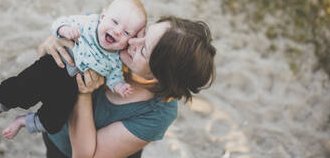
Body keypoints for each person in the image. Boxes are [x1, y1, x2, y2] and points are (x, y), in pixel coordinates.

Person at [38, 16, 217, 158]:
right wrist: (50, 44)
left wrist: (83, 94)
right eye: (144, 33)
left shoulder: (157, 115)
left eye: (143, 50)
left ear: (159, 77)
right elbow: (41, 70)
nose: (131, 42)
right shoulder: (114, 37)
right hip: (56, 138)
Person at [0, 0, 147, 139]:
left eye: (126, 32)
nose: (117, 31)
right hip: (52, 66)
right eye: (114, 22)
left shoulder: (116, 57)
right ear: (103, 16)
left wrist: (119, 86)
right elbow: (60, 22)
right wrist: (65, 30)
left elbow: (114, 77)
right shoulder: (88, 24)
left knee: (54, 119)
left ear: (130, 40)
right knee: (21, 88)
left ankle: (23, 122)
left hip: (71, 87)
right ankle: (1, 105)